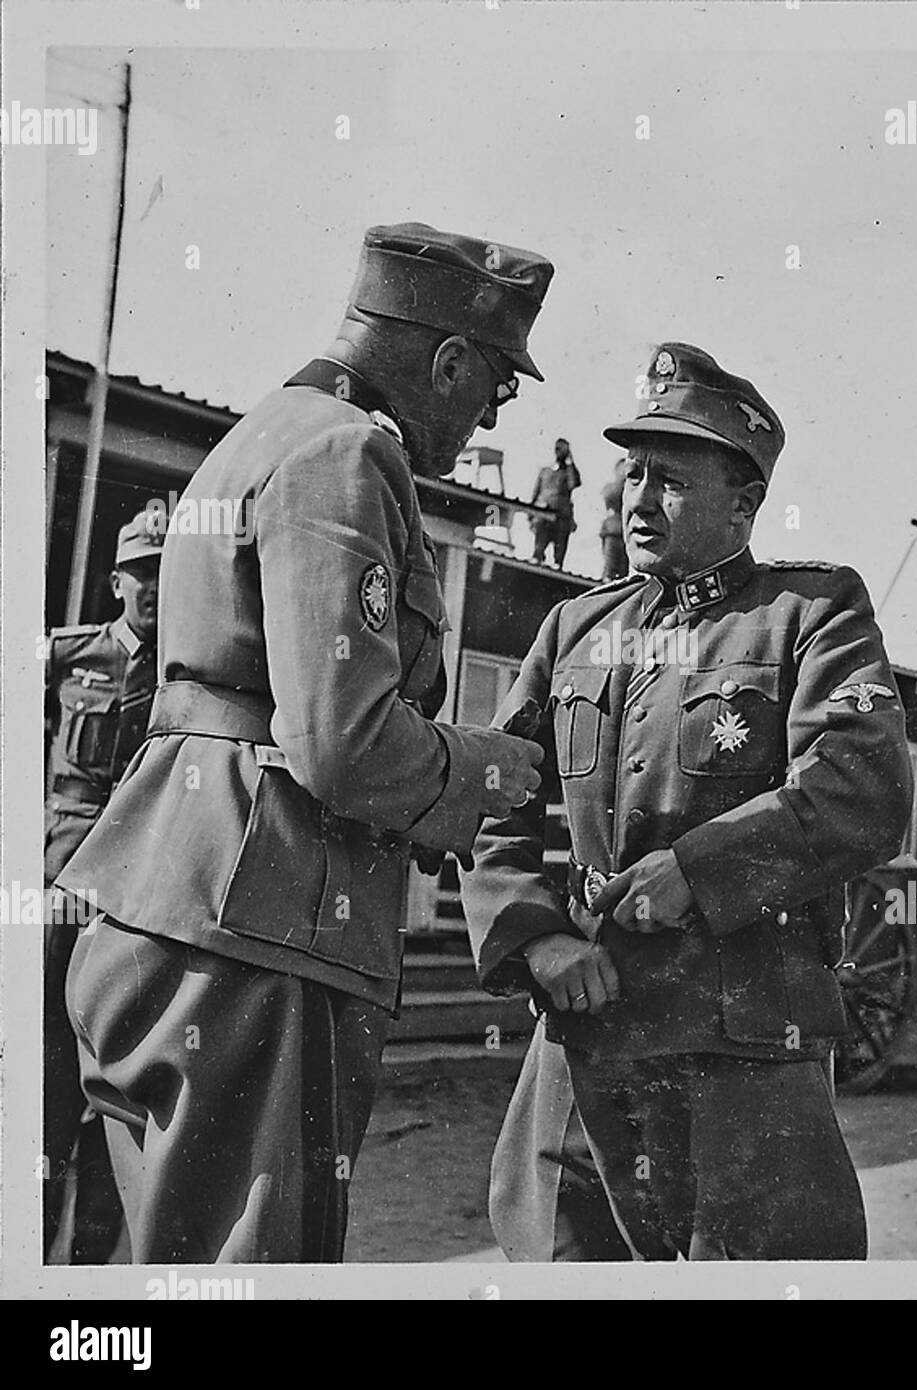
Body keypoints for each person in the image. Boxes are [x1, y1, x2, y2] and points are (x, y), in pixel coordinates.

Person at [56, 223, 551, 1263]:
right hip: (260, 931)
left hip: (175, 903)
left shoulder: (258, 436)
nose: (482, 417)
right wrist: (485, 769)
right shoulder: (344, 450)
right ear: (450, 358)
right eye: (493, 390)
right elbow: (342, 738)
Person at [462, 342, 913, 1261]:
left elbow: (860, 787)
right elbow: (499, 797)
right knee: (559, 1261)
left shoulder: (811, 616)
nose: (637, 497)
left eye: (670, 478)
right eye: (631, 472)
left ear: (744, 502)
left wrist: (697, 872)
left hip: (743, 1045)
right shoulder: (575, 629)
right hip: (586, 1038)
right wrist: (533, 933)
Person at [43, 510, 163, 1263]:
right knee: (47, 1086)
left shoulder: (193, 670)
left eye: (165, 569)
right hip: (59, 895)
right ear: (115, 579)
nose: (153, 585)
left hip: (139, 905)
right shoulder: (65, 655)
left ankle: (87, 1275)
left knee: (119, 1093)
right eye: (140, 570)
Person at [531, 437, 581, 567]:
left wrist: (570, 462)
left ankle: (557, 563)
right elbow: (536, 493)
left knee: (559, 549)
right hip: (544, 512)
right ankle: (538, 557)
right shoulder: (545, 471)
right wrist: (531, 514)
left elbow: (574, 483)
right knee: (539, 547)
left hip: (561, 515)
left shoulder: (568, 472)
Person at [600, 456, 629, 581]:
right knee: (610, 568)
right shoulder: (611, 488)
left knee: (623, 571)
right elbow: (611, 498)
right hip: (612, 531)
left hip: (625, 532)